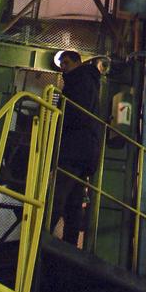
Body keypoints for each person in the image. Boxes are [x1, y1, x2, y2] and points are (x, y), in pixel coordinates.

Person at [49, 51, 102, 246]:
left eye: (67, 62)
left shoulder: (79, 81)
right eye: (62, 63)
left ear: (78, 62)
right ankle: (70, 242)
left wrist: (59, 121)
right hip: (86, 149)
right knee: (73, 199)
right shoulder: (89, 81)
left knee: (59, 193)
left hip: (74, 147)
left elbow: (75, 113)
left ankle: (43, 231)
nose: (63, 66)